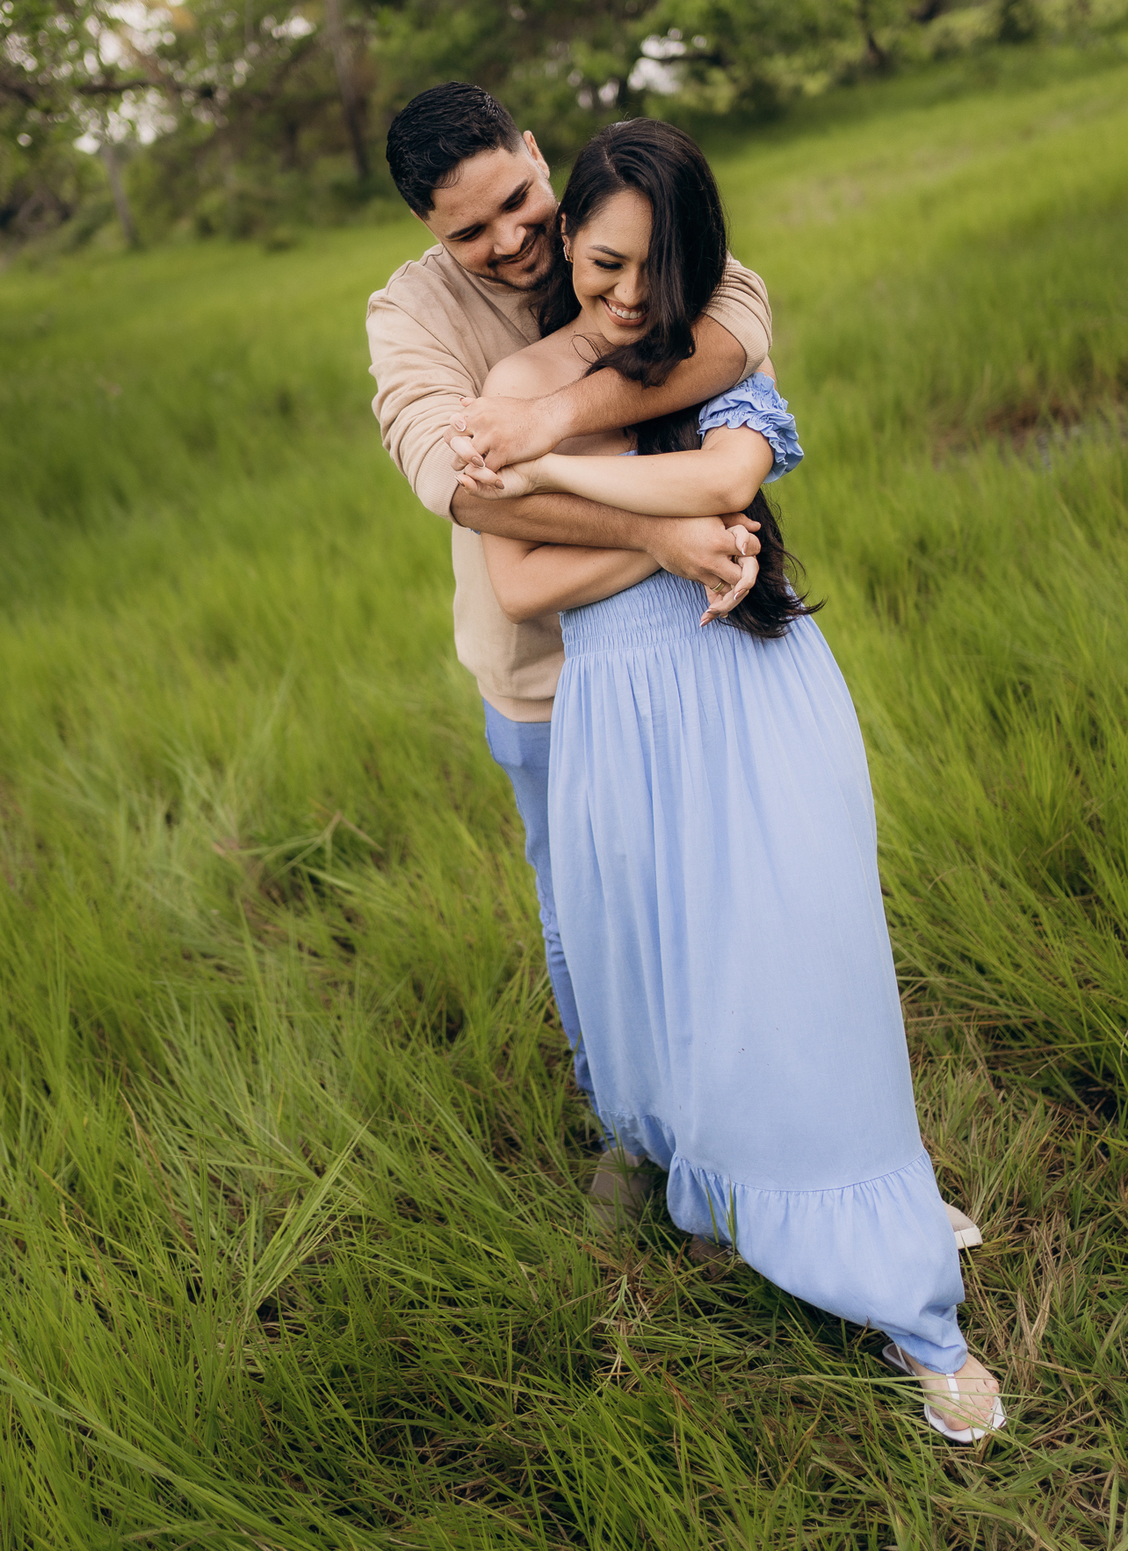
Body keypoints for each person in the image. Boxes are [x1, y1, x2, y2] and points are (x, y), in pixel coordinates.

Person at [446, 117, 1005, 1446]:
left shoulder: (717, 344)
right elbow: (520, 577)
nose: (632, 295)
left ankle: (908, 1292)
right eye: (604, 262)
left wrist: (585, 483)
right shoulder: (519, 375)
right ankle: (747, 1190)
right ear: (567, 239)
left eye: (659, 265)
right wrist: (666, 537)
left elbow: (732, 477)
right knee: (678, 976)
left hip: (751, 690)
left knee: (805, 962)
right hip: (620, 713)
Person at [369, 82, 773, 1101]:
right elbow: (458, 484)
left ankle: (732, 1102)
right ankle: (625, 1130)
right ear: (429, 228)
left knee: (718, 891)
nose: (511, 240)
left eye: (517, 199)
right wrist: (656, 530)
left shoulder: (609, 221)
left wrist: (550, 421)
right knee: (588, 916)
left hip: (694, 641)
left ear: (537, 152)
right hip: (545, 677)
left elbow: (735, 324)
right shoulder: (411, 312)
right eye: (471, 230)